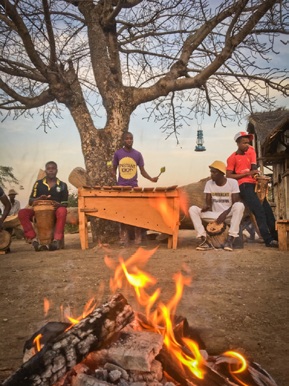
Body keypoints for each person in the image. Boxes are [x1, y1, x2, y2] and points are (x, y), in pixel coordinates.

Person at [226, 131, 278, 248]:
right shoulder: (232, 158)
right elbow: (228, 176)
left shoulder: (251, 151)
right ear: (238, 143)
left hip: (255, 184)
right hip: (243, 186)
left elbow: (254, 168)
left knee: (268, 210)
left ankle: (276, 237)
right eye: (244, 143)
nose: (247, 145)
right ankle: (268, 240)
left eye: (248, 142)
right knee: (258, 210)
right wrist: (249, 173)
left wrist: (257, 176)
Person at [113, 131, 159, 245]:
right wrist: (114, 179)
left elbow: (142, 171)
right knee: (122, 213)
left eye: (131, 138)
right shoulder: (118, 154)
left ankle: (138, 237)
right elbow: (113, 169)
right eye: (127, 138)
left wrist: (151, 179)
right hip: (122, 188)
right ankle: (124, 237)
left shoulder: (137, 154)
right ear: (123, 140)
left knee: (137, 213)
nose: (129, 140)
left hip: (134, 187)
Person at [189, 160, 245, 251]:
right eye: (211, 172)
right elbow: (208, 203)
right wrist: (206, 207)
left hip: (228, 215)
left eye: (214, 172)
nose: (211, 174)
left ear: (221, 173)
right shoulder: (209, 183)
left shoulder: (233, 182)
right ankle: (204, 240)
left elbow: (235, 202)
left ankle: (230, 239)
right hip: (214, 216)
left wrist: (225, 214)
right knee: (193, 209)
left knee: (239, 205)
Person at [18, 161, 68, 251]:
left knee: (63, 210)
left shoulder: (62, 185)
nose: (51, 171)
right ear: (45, 171)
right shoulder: (38, 183)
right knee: (22, 213)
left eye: (53, 169)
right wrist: (39, 198)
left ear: (57, 170)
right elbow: (30, 201)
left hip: (55, 211)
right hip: (38, 211)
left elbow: (65, 203)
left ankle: (56, 241)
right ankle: (33, 240)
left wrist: (59, 204)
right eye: (49, 169)